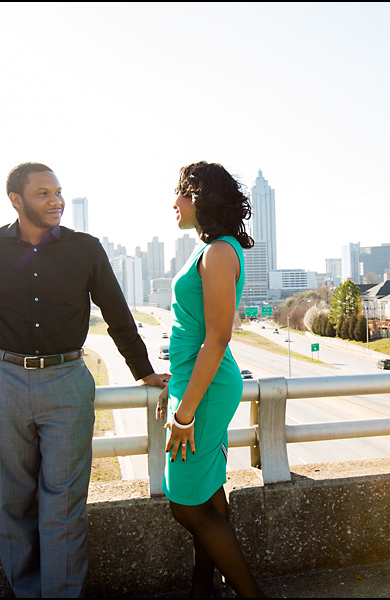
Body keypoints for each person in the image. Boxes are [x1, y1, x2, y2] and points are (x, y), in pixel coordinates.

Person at [0, 162, 169, 597]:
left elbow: (118, 314)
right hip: (4, 381)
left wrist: (143, 370)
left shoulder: (85, 248)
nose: (57, 201)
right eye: (44, 193)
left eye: (59, 192)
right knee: (12, 504)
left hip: (67, 381)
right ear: (16, 200)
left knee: (63, 506)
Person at [157, 161, 265, 598]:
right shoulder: (211, 250)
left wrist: (184, 414)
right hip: (193, 383)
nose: (175, 202)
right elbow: (193, 331)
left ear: (201, 199)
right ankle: (203, 588)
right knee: (207, 494)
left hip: (205, 390)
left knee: (186, 505)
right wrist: (174, 384)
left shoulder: (219, 251)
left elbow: (218, 337)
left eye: (182, 192)